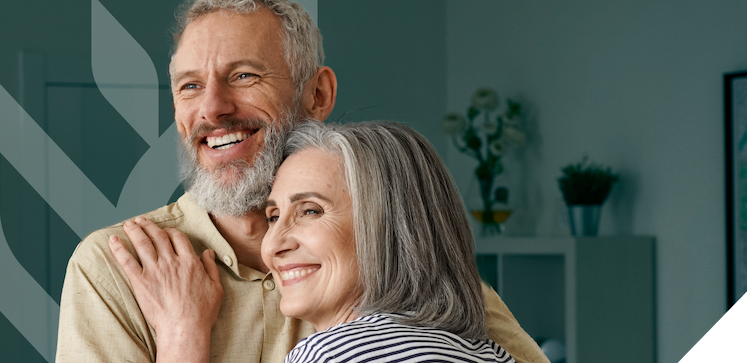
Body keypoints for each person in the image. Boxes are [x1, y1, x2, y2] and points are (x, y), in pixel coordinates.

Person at [55, 0, 548, 363]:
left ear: (317, 96)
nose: (212, 108)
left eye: (243, 76)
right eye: (188, 86)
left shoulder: (398, 254)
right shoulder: (114, 269)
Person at [110, 120, 516, 363]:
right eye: (273, 216)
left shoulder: (335, 354)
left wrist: (183, 335)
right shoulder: (490, 354)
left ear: (392, 227)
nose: (274, 244)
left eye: (310, 211)